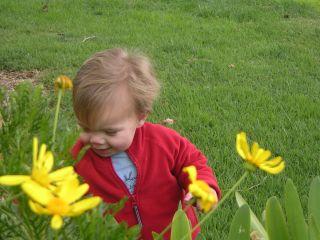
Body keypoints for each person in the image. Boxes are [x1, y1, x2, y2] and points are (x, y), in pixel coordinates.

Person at [71, 48, 221, 240]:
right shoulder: (76, 156)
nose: (96, 140)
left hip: (176, 234)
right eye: (85, 128)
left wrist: (204, 187)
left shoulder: (162, 141)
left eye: (110, 131)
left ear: (140, 116)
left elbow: (192, 161)